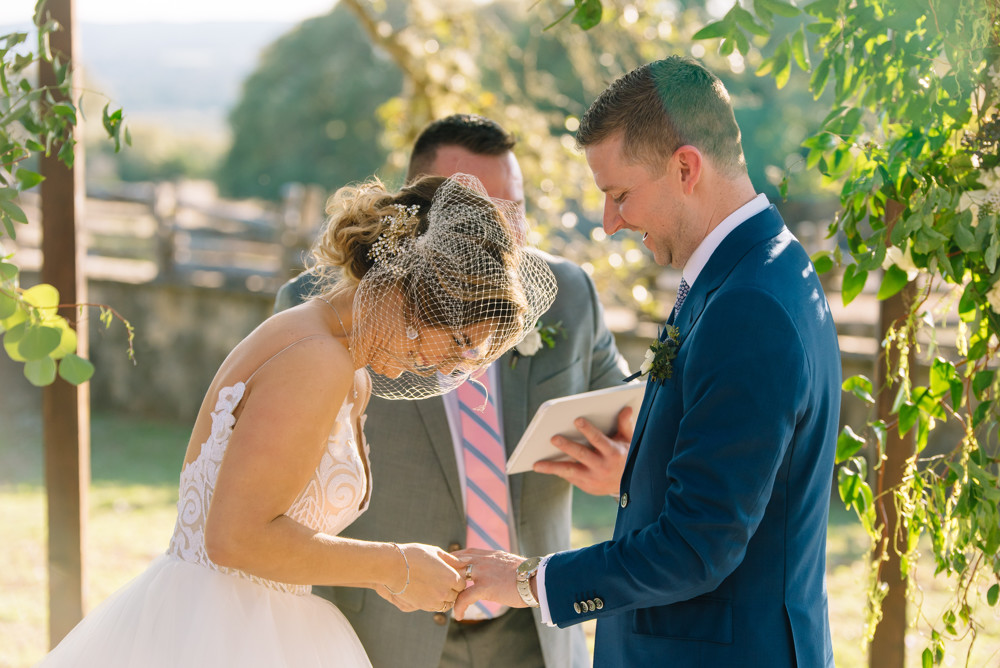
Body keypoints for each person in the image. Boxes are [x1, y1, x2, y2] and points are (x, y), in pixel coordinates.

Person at [37, 172, 558, 668]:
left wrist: (391, 578)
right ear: (420, 291)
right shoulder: (315, 360)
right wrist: (395, 564)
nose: (453, 367)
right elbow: (235, 538)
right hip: (221, 631)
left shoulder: (344, 364)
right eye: (464, 342)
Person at [453, 57, 842, 668]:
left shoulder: (749, 304)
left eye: (620, 194)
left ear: (686, 167)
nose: (609, 223)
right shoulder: (750, 270)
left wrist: (527, 579)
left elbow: (697, 548)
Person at [275, 114, 630, 668]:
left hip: (532, 627)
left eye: (514, 208)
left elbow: (630, 418)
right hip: (386, 630)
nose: (504, 231)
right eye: (480, 211)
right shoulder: (332, 307)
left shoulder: (569, 294)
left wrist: (624, 469)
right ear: (420, 208)